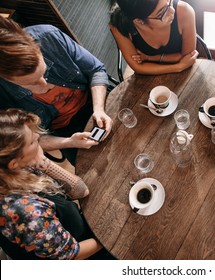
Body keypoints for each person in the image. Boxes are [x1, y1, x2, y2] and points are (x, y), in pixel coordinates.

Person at [0, 109, 114, 259]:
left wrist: (42, 161)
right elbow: (71, 255)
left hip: (74, 231)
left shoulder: (17, 167)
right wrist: (107, 237)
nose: (37, 136)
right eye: (32, 141)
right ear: (14, 163)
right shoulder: (26, 213)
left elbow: (81, 190)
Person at [0, 17, 113, 165]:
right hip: (66, 131)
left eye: (44, 72)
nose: (44, 83)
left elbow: (96, 70)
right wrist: (68, 142)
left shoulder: (48, 36)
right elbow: (27, 141)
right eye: (31, 83)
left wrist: (98, 109)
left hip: (96, 98)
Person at [110, 0, 199, 75]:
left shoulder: (185, 11)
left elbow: (188, 57)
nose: (172, 11)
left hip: (185, 73)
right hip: (148, 77)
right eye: (162, 12)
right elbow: (138, 67)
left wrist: (150, 58)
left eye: (169, 1)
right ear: (139, 21)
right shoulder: (119, 25)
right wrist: (178, 67)